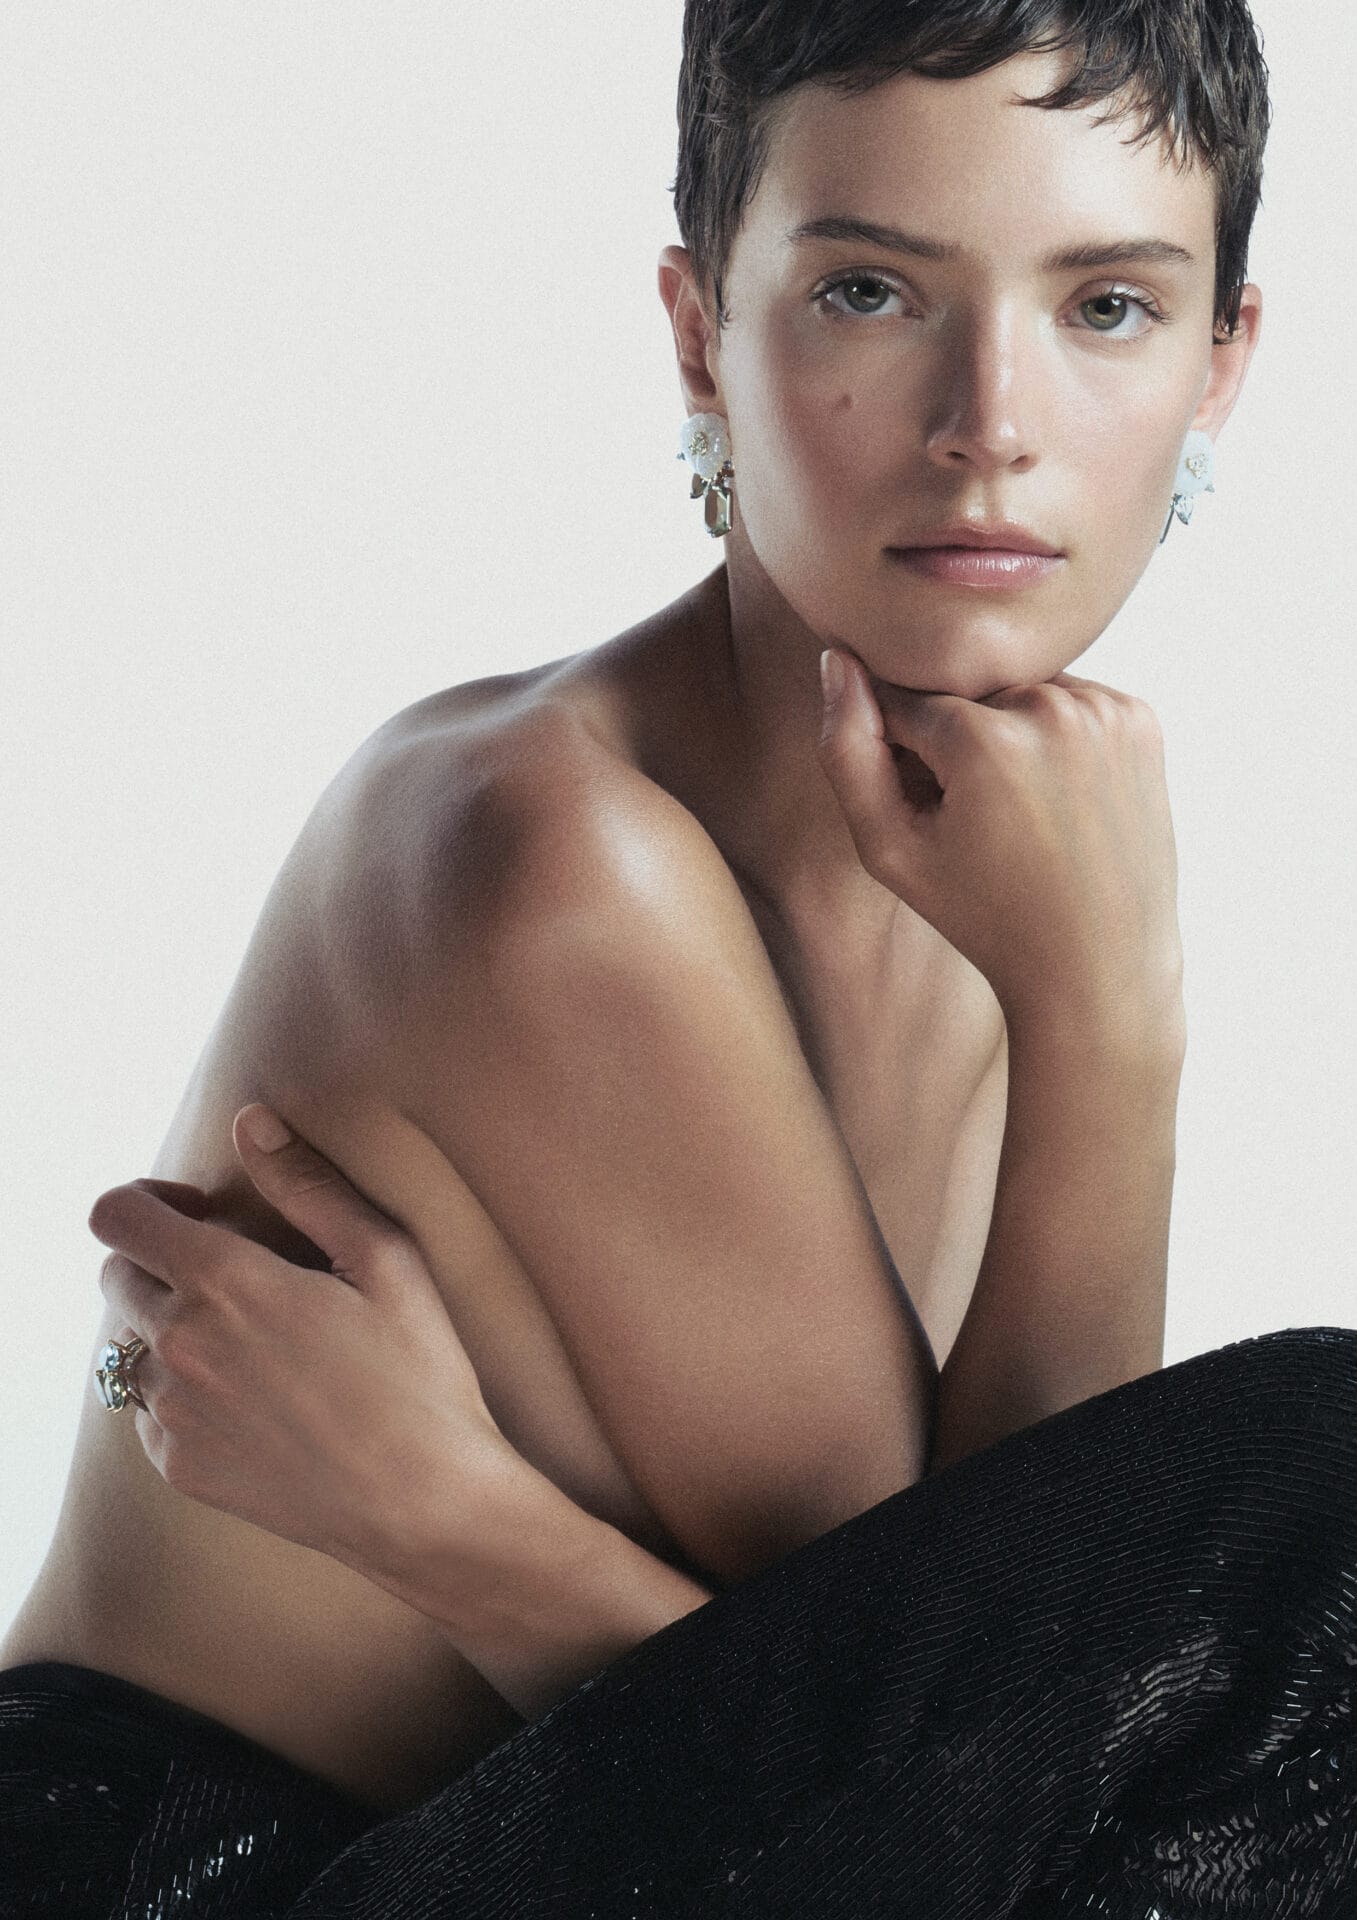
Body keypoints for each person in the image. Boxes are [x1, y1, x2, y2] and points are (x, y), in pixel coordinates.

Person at [4, 1, 1355, 1913]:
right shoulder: (555, 858)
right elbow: (962, 1775)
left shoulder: (1004, 867)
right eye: (871, 293)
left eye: (1107, 307)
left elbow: (1001, 1730)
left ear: (1222, 367)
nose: (991, 421)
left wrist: (460, 1526)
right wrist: (1110, 1032)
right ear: (700, 330)